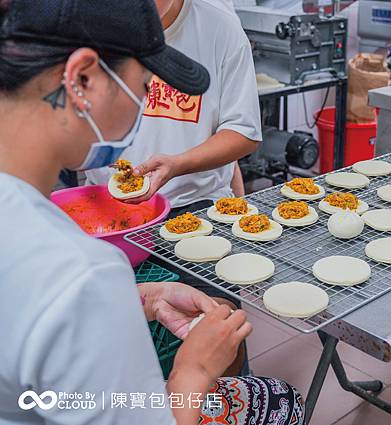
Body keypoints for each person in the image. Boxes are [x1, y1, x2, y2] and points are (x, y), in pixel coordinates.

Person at [0, 1, 303, 425]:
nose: (144, 105)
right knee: (280, 402)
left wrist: (144, 298)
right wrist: (192, 372)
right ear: (82, 79)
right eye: (143, 86)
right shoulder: (82, 275)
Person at [85, 0, 262, 375]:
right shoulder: (96, 21)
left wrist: (178, 164)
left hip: (193, 210)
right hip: (103, 215)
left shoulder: (220, 29)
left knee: (215, 336)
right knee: (116, 348)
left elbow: (244, 132)